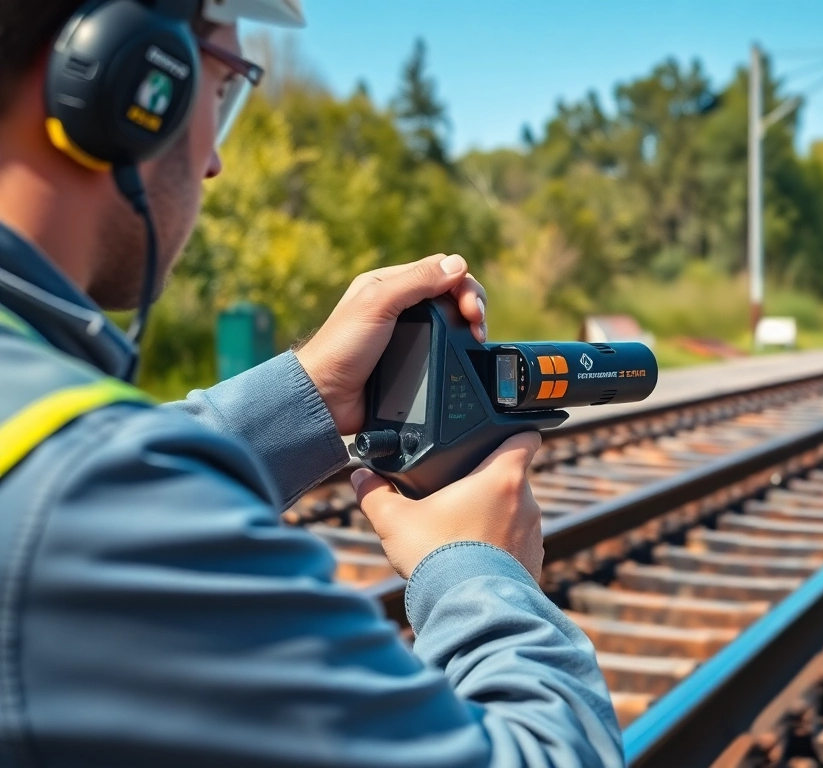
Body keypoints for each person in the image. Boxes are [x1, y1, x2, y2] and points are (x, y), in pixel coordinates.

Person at [0, 1, 623, 766]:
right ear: (126, 78)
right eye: (221, 87)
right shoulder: (87, 499)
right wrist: (478, 570)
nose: (213, 162)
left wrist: (311, 394)